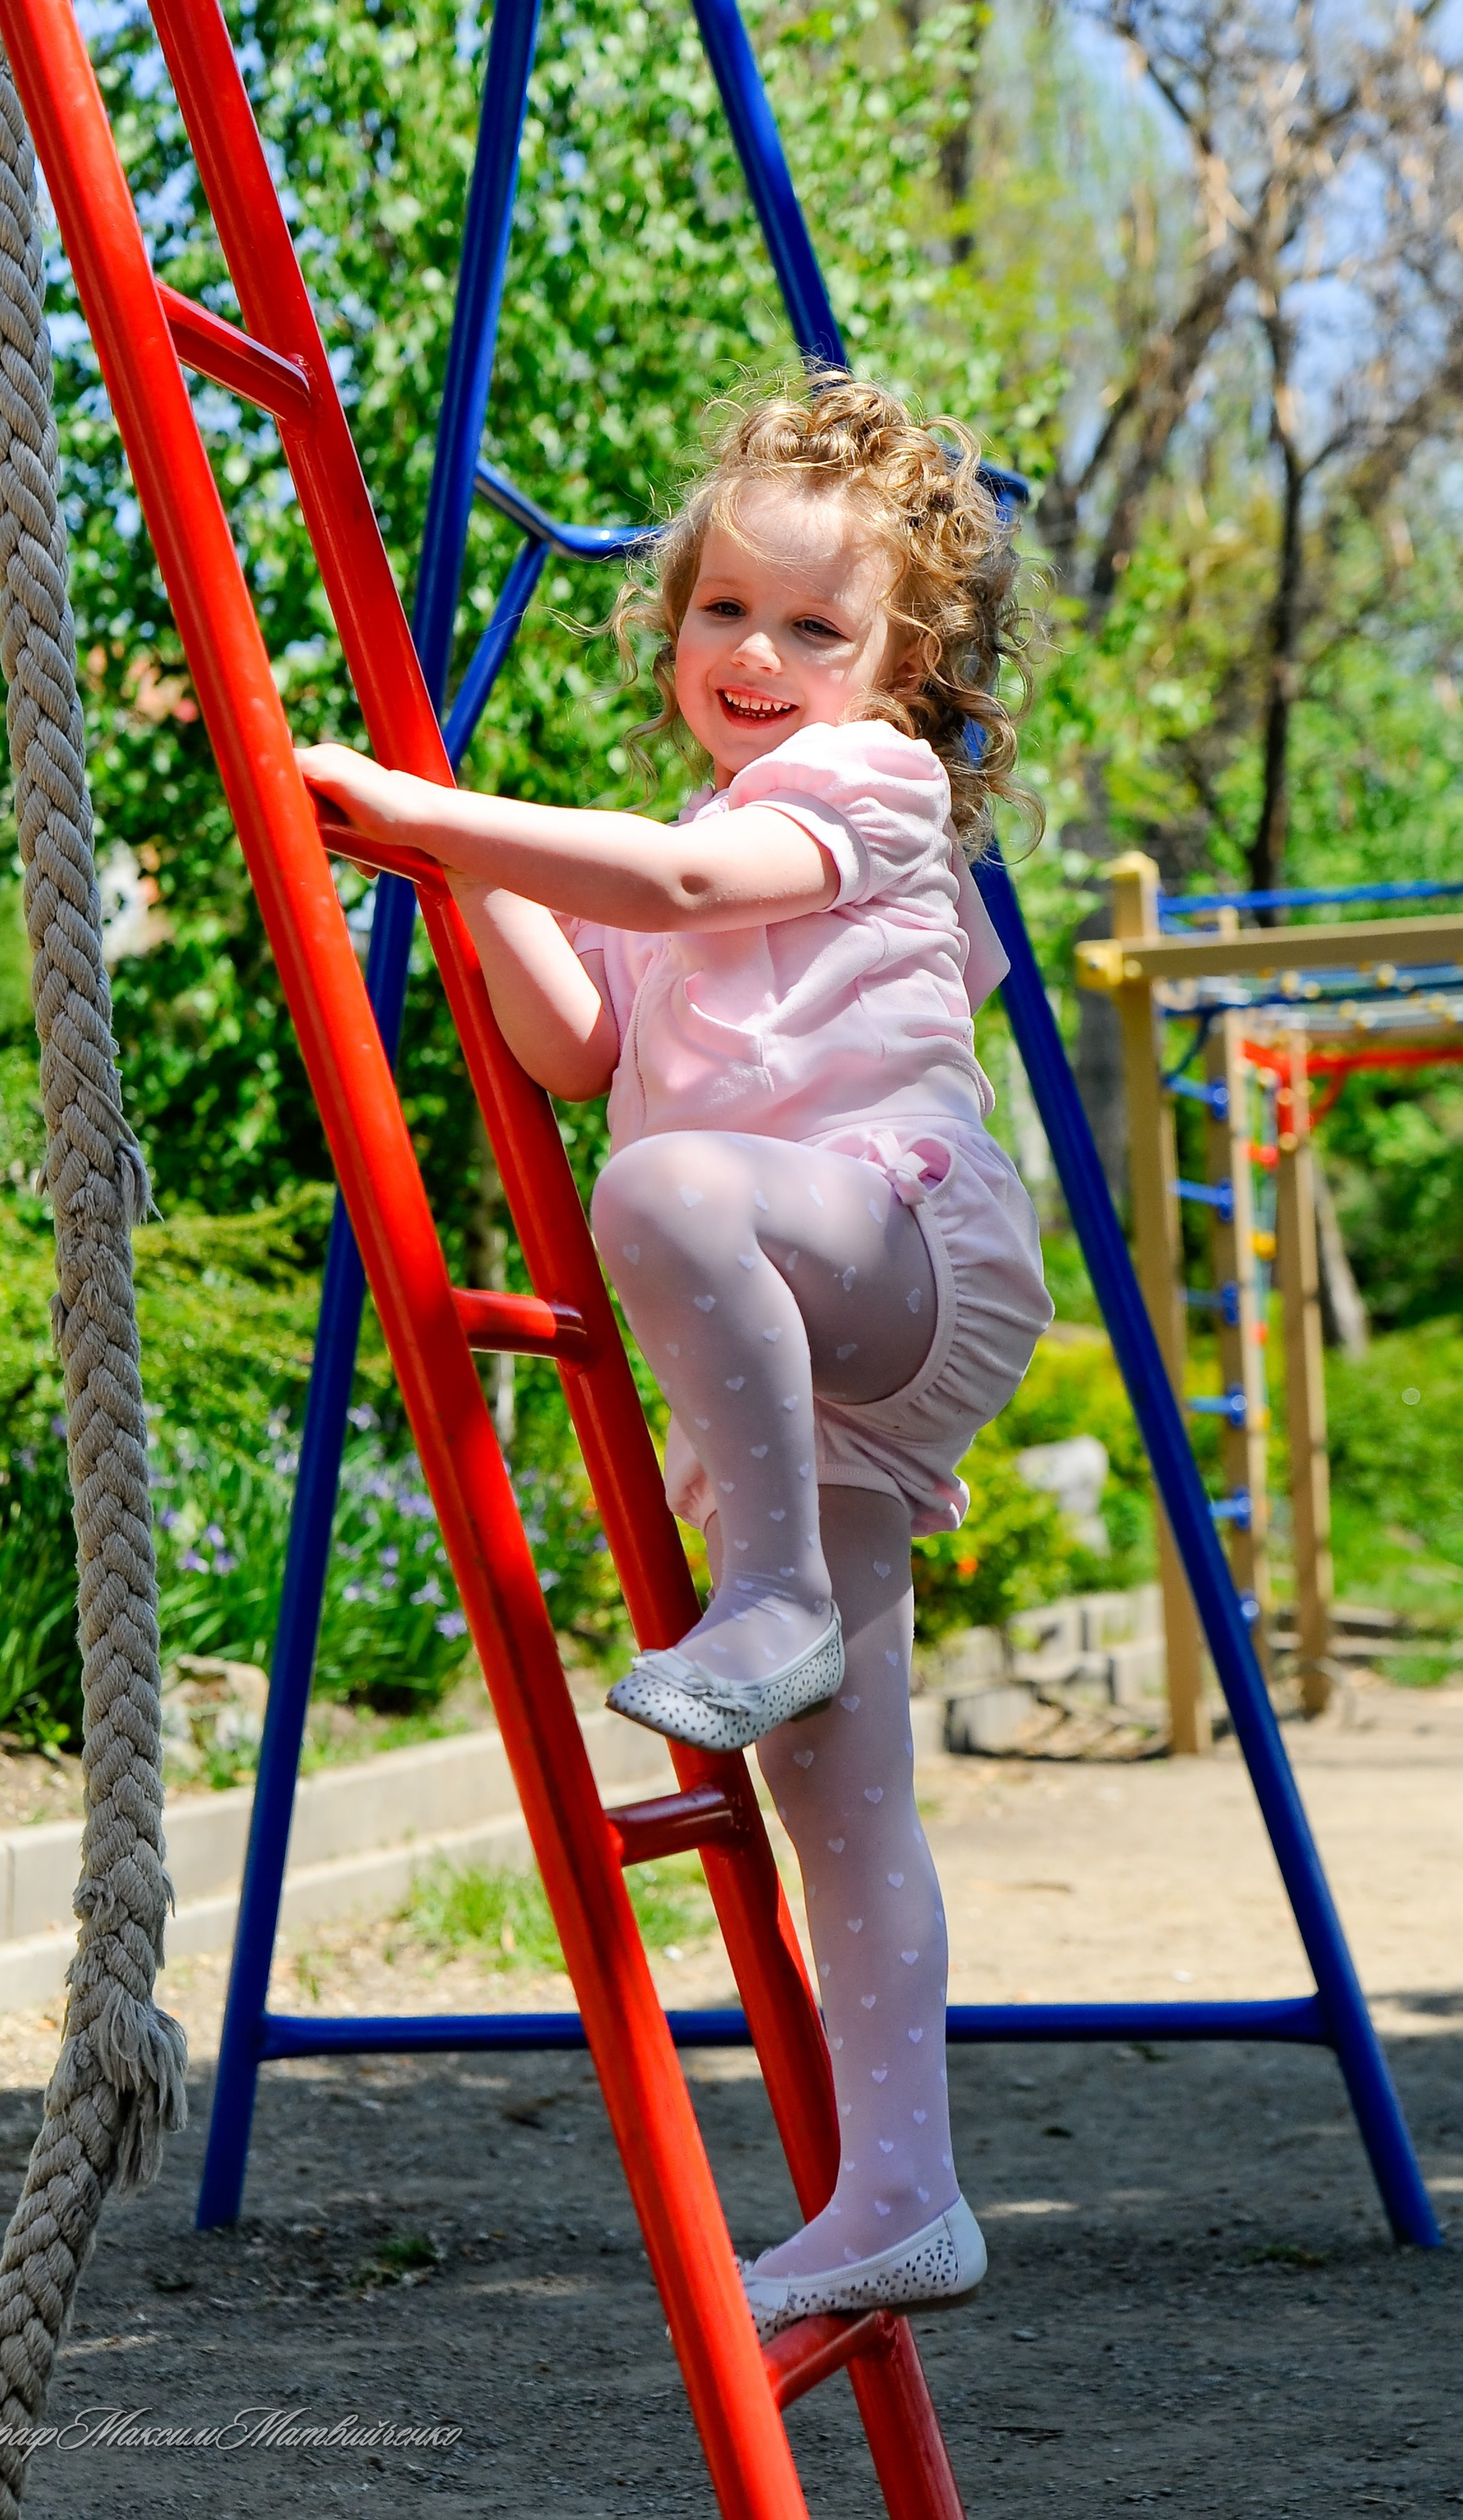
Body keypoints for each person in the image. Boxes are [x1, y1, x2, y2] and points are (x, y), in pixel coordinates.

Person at [297, 372, 1053, 2330]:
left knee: (668, 1196)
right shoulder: (672, 833)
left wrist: (440, 805)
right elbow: (579, 1047)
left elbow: (691, 890)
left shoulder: (866, 792)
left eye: (819, 628)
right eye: (728, 611)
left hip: (897, 1250)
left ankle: (775, 1595)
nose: (761, 654)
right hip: (794, 1367)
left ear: (897, 671)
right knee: (841, 1799)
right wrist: (458, 874)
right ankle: (907, 2188)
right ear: (677, 621)